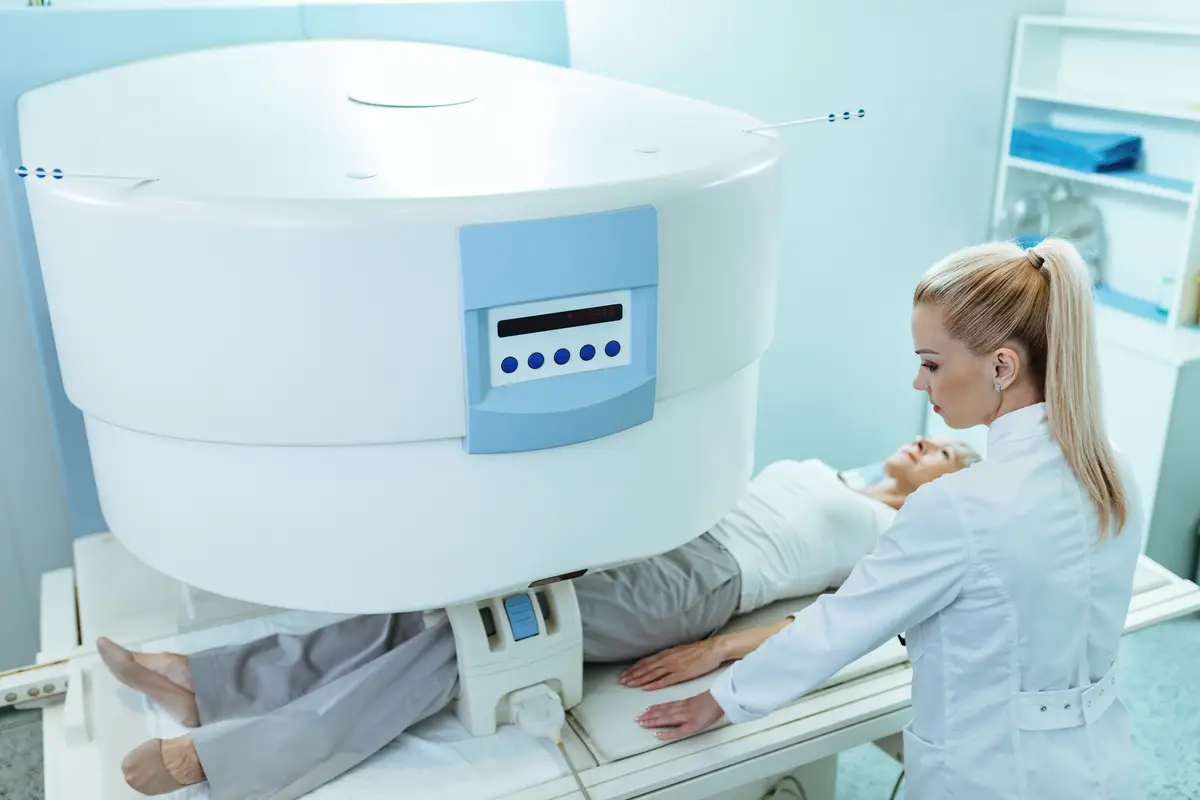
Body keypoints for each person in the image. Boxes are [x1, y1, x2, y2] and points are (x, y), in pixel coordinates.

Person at [97, 435, 978, 798]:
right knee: (440, 606)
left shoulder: (894, 535)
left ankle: (228, 754)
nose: (925, 442)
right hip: (658, 538)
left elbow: (833, 622)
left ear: (951, 484)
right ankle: (208, 679)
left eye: (945, 452)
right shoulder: (821, 466)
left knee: (473, 642)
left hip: (698, 588)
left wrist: (718, 650)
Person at [638, 238, 1143, 800]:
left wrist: (722, 698)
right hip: (1100, 764)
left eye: (930, 364)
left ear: (1002, 365)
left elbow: (841, 626)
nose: (919, 383)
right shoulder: (1113, 468)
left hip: (993, 775)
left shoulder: (963, 506)